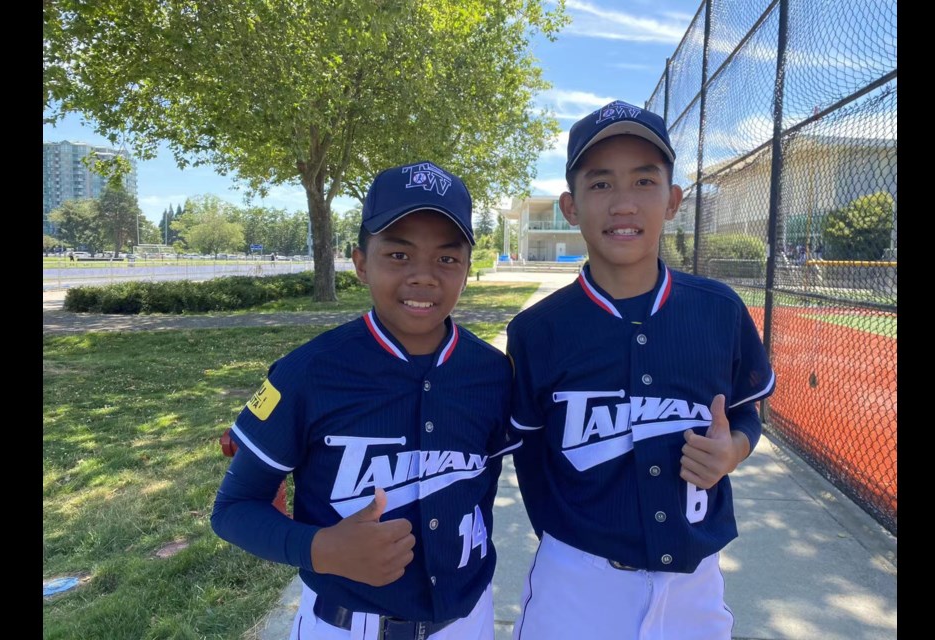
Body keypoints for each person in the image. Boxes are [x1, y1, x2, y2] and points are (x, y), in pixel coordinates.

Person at [210, 160, 518, 640]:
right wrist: (322, 548)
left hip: (466, 621)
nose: (424, 277)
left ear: (466, 268)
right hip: (346, 626)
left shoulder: (493, 372)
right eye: (398, 255)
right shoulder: (308, 372)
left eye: (447, 258)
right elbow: (233, 509)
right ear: (359, 262)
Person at [506, 101, 776, 640]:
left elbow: (748, 412)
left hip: (694, 585)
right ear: (570, 206)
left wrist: (735, 450)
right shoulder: (538, 331)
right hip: (576, 583)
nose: (624, 204)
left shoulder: (719, 309)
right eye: (601, 184)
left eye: (645, 181)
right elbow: (530, 457)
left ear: (673, 200)